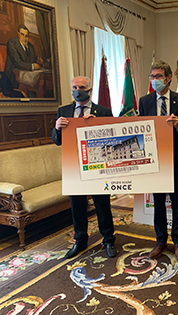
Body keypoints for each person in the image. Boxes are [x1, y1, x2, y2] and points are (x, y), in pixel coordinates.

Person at [52, 76, 117, 259]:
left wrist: (97, 125)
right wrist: (57, 128)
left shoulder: (103, 111)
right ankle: (80, 240)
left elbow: (112, 139)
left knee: (102, 205)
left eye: (81, 87)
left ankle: (108, 240)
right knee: (77, 206)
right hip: (74, 166)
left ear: (89, 90)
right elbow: (57, 141)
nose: (77, 90)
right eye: (74, 87)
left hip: (98, 166)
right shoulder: (63, 111)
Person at [138, 60, 178, 260]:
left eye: (159, 76)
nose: (155, 80)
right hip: (155, 161)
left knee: (176, 202)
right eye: (152, 76)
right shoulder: (144, 102)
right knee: (158, 201)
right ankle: (160, 240)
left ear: (169, 78)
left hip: (175, 159)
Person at [4, 25, 43, 89]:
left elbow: (33, 60)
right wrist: (32, 66)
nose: (24, 38)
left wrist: (38, 61)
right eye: (22, 35)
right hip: (12, 77)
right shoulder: (12, 43)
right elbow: (17, 62)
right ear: (18, 34)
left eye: (26, 36)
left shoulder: (30, 46)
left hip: (26, 74)